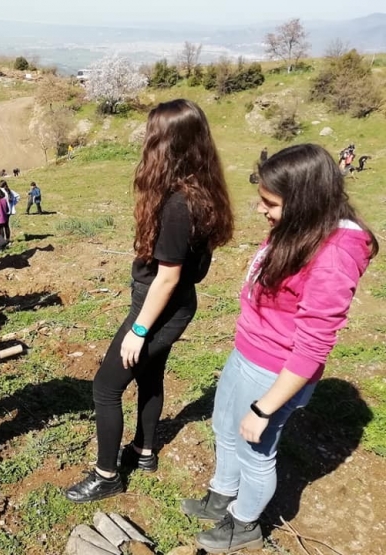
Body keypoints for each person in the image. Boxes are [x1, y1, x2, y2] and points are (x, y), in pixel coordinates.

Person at [181, 143, 378, 553]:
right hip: (248, 349)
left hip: (274, 369)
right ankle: (222, 494)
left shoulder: (334, 255)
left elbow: (313, 346)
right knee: (223, 427)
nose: (260, 210)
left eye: (270, 203)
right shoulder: (302, 229)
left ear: (304, 202)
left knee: (256, 450)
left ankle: (245, 522)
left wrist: (264, 407)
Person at [65, 99, 234, 503]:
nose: (145, 140)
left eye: (152, 134)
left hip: (159, 308)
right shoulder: (201, 190)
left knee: (106, 387)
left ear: (168, 144)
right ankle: (143, 452)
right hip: (176, 304)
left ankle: (107, 475)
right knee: (150, 376)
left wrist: (139, 329)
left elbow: (169, 276)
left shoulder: (178, 204)